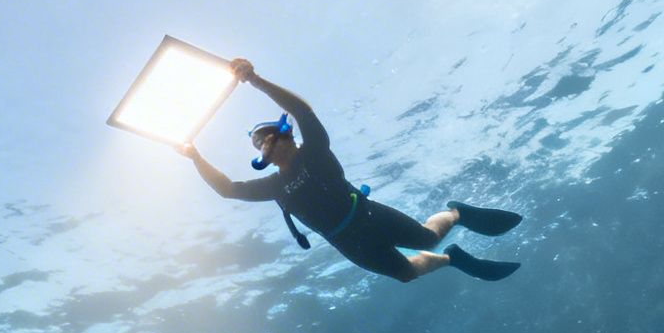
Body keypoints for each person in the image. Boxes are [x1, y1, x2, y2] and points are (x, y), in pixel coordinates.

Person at [179, 58, 524, 282]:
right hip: (347, 242)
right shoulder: (274, 186)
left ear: (286, 136)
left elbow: (302, 111)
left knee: (427, 237)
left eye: (266, 137)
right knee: (406, 274)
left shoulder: (313, 149)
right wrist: (195, 156)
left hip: (368, 215)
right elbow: (227, 188)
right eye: (257, 145)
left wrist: (255, 79)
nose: (262, 145)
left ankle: (456, 212)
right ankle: (451, 260)